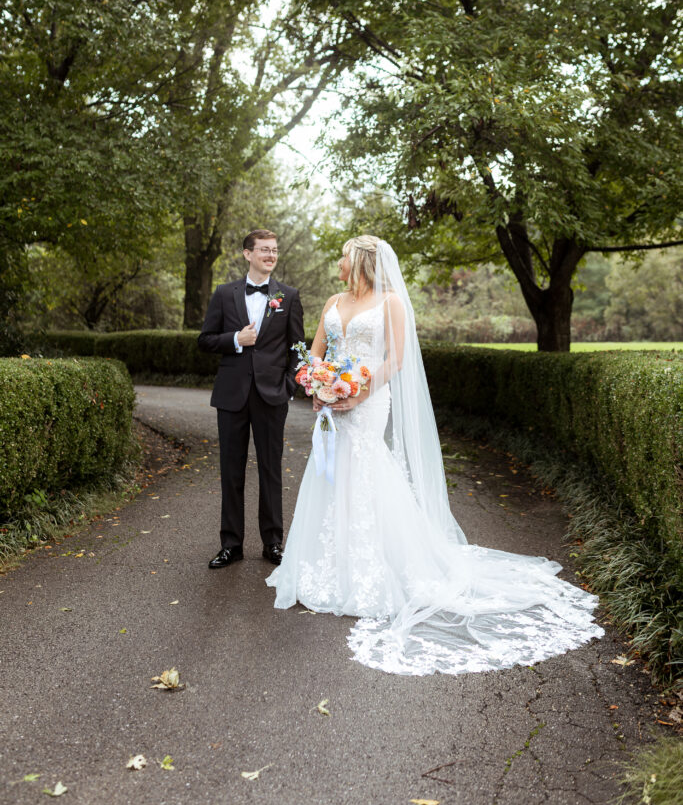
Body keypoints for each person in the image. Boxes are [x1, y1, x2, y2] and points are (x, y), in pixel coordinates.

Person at [266, 235, 604, 676]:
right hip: (332, 402)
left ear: (362, 261)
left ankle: (377, 566)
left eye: (344, 256)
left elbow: (396, 361)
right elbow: (315, 354)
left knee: (365, 467)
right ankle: (324, 564)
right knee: (331, 471)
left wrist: (357, 390)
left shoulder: (390, 303)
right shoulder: (332, 299)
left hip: (368, 401)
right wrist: (316, 385)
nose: (339, 262)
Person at [198, 229, 304, 569]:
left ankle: (273, 543)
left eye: (274, 251)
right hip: (231, 395)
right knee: (231, 472)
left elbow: (297, 349)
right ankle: (231, 545)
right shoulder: (223, 294)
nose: (271, 256)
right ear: (247, 254)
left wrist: (289, 385)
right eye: (264, 250)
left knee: (272, 471)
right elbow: (205, 340)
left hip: (272, 395)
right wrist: (235, 339)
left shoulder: (289, 296)